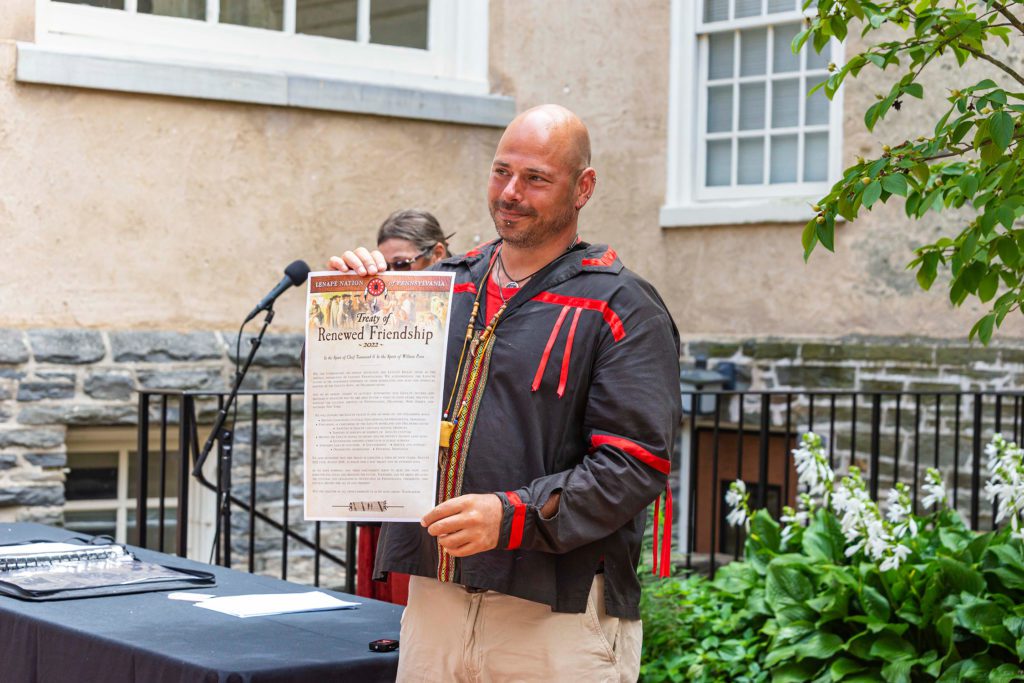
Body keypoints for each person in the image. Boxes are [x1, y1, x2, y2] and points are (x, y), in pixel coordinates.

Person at [331, 104, 680, 682]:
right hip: (435, 600)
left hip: (556, 616)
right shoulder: (440, 289)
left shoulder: (624, 307)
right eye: (501, 172)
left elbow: (635, 466)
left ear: (583, 187)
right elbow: (350, 400)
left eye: (536, 178)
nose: (511, 192)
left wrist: (510, 515)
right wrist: (351, 309)